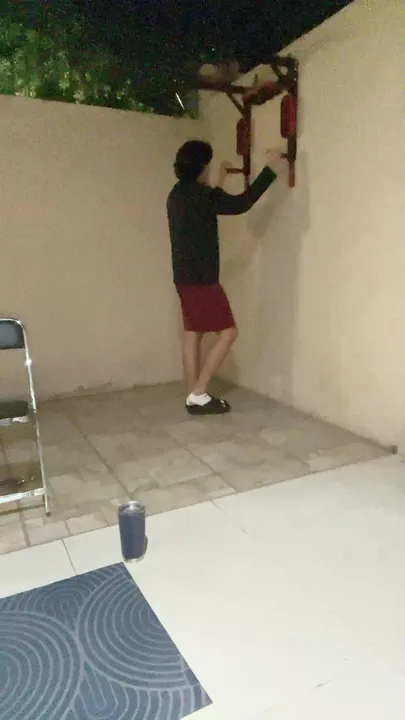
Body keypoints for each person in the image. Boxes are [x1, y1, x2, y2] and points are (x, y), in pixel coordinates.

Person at [167, 140, 282, 415]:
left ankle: (192, 393)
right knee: (229, 333)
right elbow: (241, 203)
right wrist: (271, 169)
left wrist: (219, 179)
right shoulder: (204, 197)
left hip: (183, 277)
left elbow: (207, 200)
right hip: (203, 280)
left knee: (192, 333)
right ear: (201, 168)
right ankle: (199, 393)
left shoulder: (177, 194)